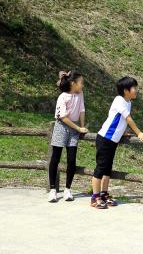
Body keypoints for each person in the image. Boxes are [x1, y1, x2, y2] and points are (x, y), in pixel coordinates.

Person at [90, 76, 143, 209]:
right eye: (134, 88)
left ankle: (104, 194)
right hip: (105, 138)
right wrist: (139, 133)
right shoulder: (119, 100)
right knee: (100, 168)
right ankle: (94, 197)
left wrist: (122, 132)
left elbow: (121, 120)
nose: (136, 90)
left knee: (107, 169)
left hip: (113, 139)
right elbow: (128, 118)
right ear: (126, 90)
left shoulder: (128, 102)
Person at [47, 70, 88, 203]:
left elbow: (82, 109)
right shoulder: (62, 97)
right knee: (55, 158)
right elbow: (63, 117)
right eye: (81, 82)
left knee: (71, 159)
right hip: (62, 127)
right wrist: (78, 128)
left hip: (74, 128)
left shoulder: (80, 94)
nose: (82, 85)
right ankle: (53, 190)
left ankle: (67, 189)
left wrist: (82, 127)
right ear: (73, 83)